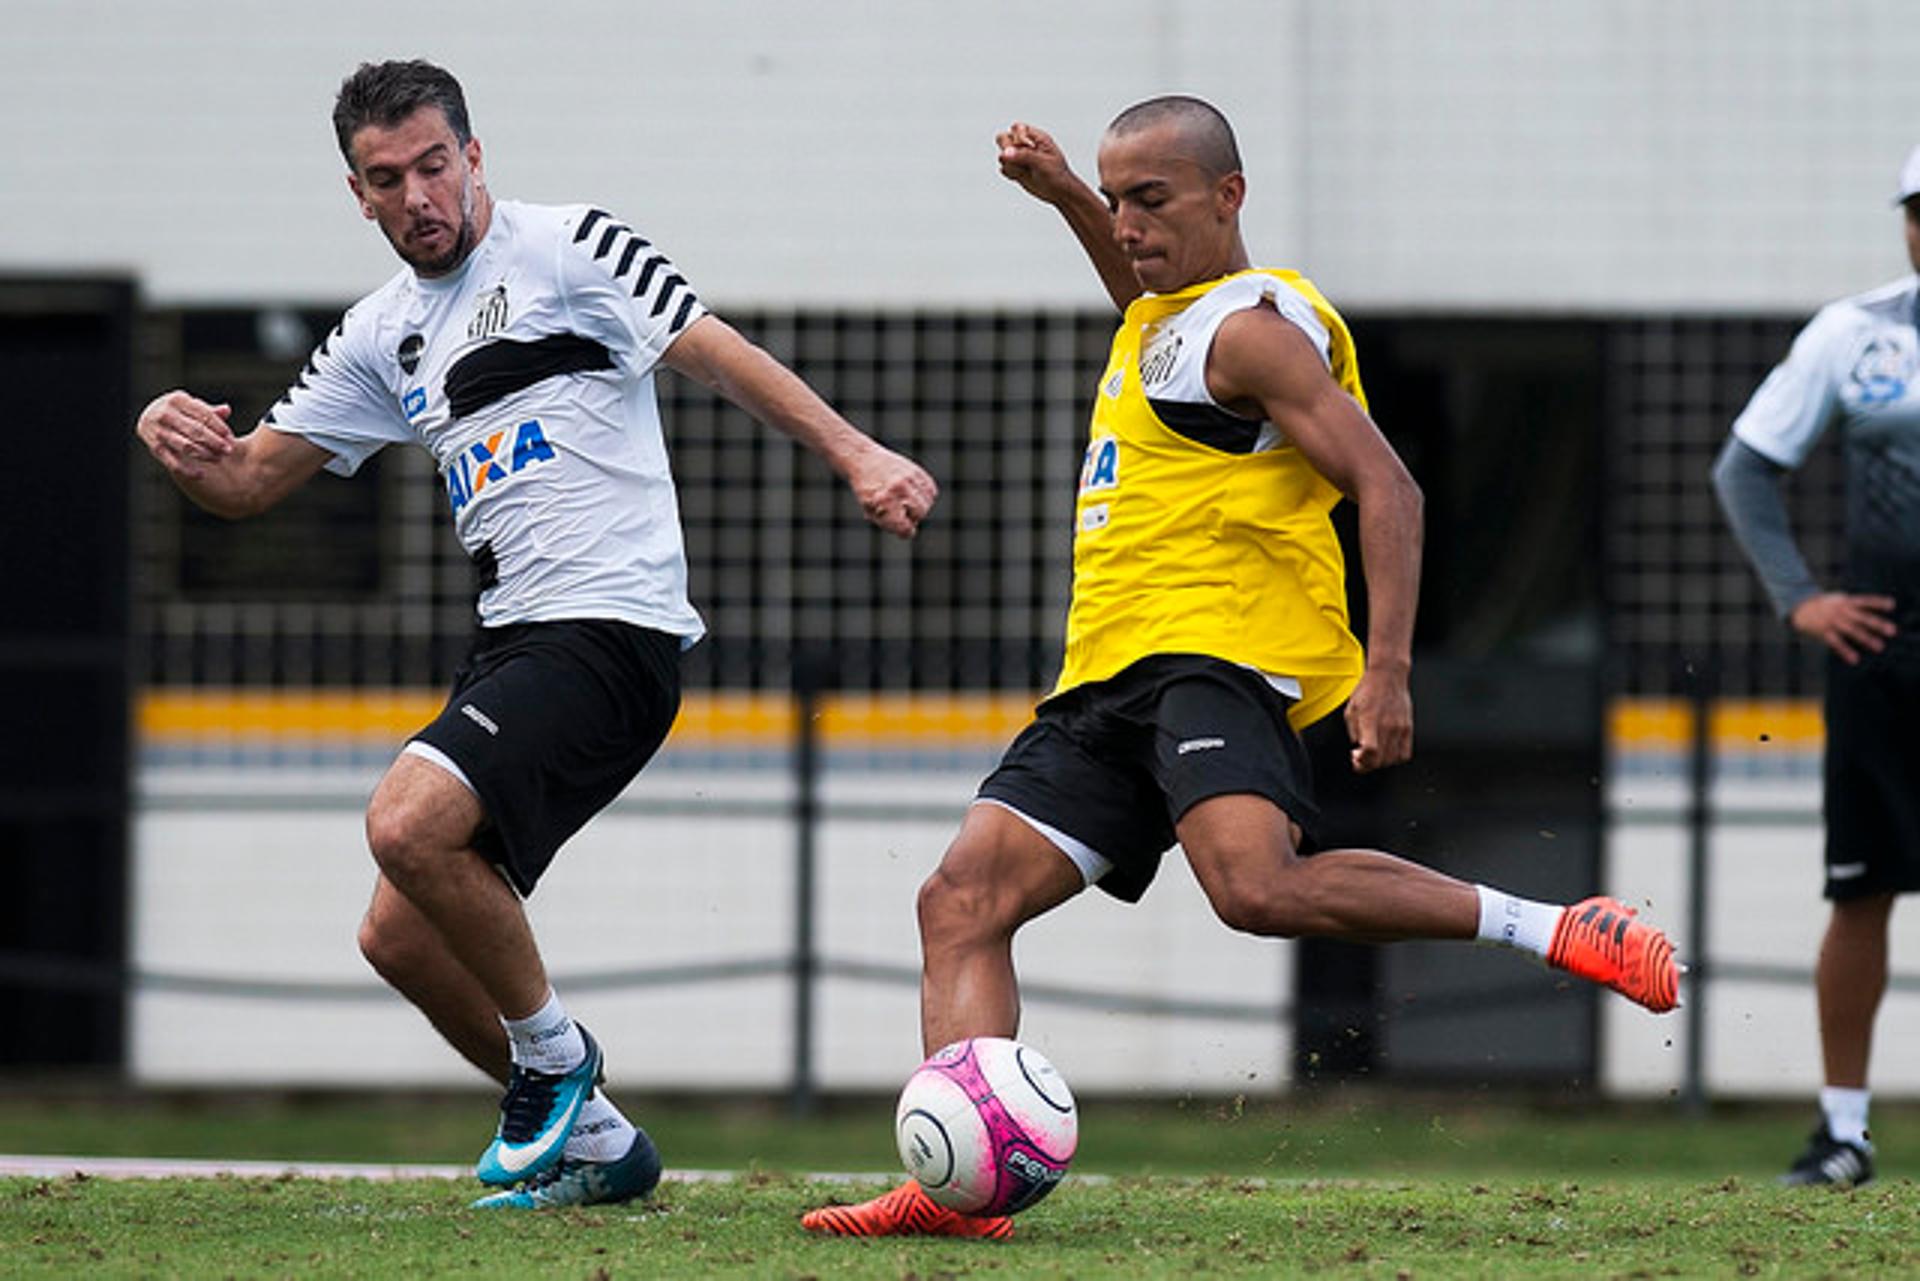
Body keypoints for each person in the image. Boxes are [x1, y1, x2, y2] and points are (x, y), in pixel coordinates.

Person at [802, 96, 1682, 1240]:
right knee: (960, 901)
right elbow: (1155, 317)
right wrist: (1068, 193)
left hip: (1220, 657)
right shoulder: (1173, 322)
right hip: (1107, 674)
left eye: (1151, 201)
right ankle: (962, 1188)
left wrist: (1391, 668)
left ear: (1231, 196)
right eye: (1117, 202)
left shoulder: (1259, 330)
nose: (1128, 225)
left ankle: (1557, 928)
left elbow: (1392, 489)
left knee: (1253, 890)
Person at [134, 59, 938, 1211]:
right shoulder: (379, 335)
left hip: (612, 631)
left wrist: (856, 453)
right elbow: (250, 482)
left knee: (405, 820)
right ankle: (604, 1145)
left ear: (473, 155)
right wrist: (178, 441)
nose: (418, 196)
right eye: (386, 179)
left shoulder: (570, 250)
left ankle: (557, 1066)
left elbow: (713, 348)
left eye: (433, 164)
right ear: (357, 197)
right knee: (399, 938)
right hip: (512, 642)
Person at [1710, 145, 1920, 1190]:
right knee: (1863, 887)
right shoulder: (1858, 333)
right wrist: (1800, 598)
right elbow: (1746, 466)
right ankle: (1844, 1132)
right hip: (1885, 654)